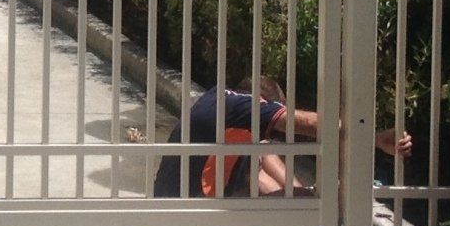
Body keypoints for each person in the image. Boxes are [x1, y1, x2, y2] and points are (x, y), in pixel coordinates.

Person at [150, 76, 412, 201]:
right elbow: (309, 124)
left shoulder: (220, 99)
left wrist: (300, 194)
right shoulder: (249, 108)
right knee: (258, 161)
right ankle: (301, 211)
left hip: (167, 207)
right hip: (187, 219)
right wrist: (375, 138)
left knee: (256, 155)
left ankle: (304, 206)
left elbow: (263, 150)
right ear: (264, 103)